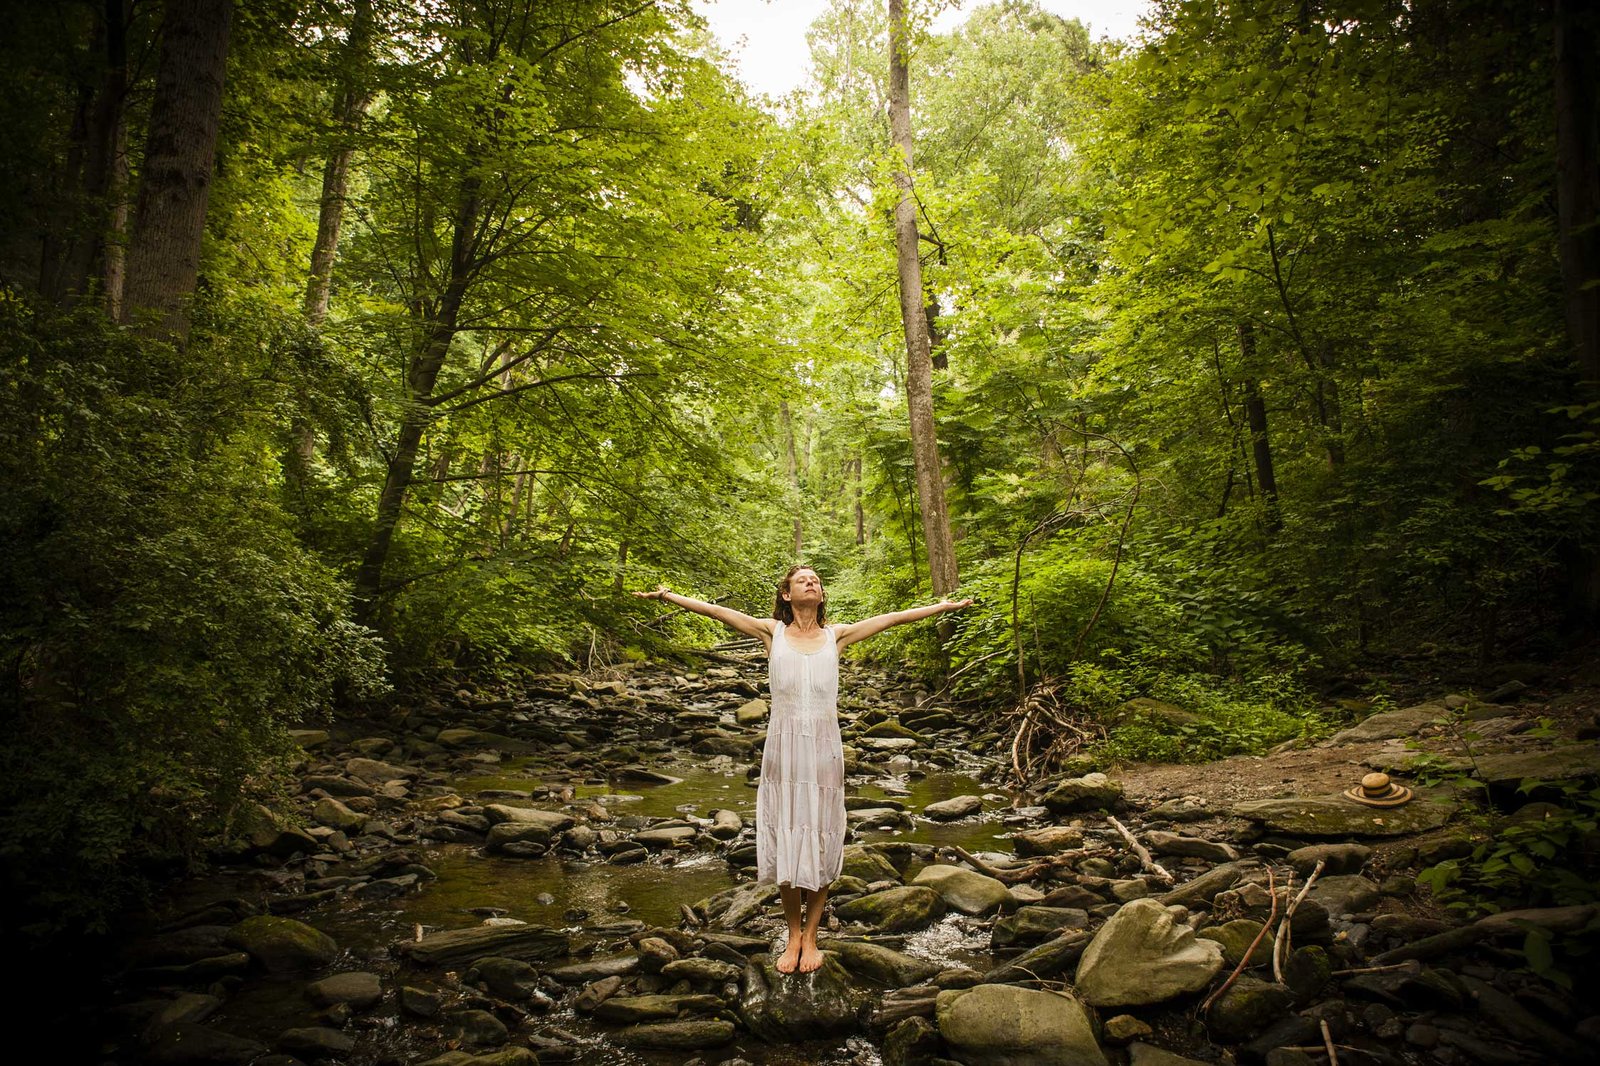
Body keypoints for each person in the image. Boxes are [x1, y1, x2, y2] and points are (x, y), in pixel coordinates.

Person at [634, 566, 972, 975]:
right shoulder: (771, 632)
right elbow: (716, 611)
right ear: (787, 595)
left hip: (825, 750)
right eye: (802, 580)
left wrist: (942, 607)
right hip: (784, 748)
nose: (811, 583)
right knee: (788, 832)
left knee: (822, 832)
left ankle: (811, 935)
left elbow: (894, 618)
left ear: (821, 595)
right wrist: (668, 597)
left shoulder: (838, 635)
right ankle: (792, 933)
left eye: (816, 580)